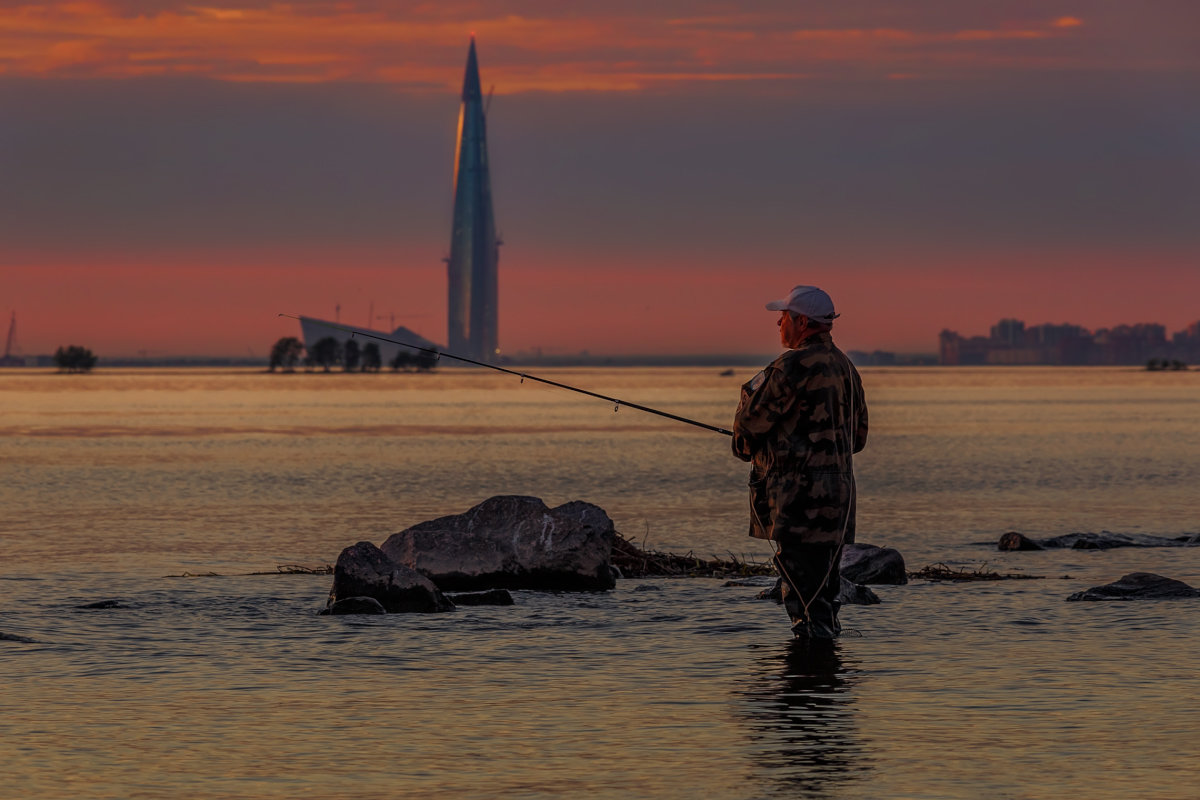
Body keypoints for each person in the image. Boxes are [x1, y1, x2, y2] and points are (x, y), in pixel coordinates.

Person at [732, 285, 868, 639]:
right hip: (839, 503)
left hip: (797, 504)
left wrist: (746, 399)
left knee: (803, 602)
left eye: (783, 317)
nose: (779, 323)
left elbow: (748, 427)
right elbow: (859, 438)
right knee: (824, 596)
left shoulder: (789, 367)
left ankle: (804, 685)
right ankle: (824, 682)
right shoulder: (846, 368)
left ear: (802, 321)